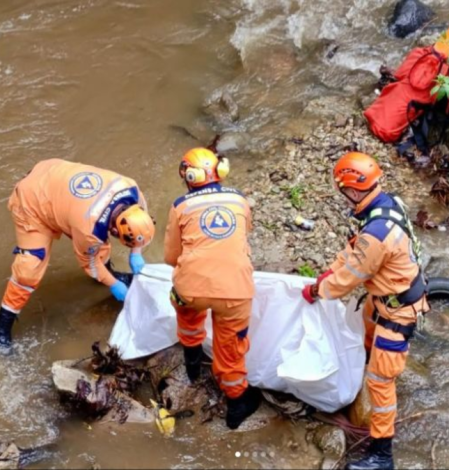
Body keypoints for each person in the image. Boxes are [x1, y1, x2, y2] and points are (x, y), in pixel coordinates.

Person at [301, 151, 428, 470]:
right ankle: (368, 365)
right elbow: (353, 251)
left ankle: (382, 455)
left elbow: (349, 278)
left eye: (343, 189)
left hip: (397, 313)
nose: (342, 194)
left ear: (353, 190)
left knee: (381, 384)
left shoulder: (376, 234)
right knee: (366, 331)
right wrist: (327, 273)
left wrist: (318, 290)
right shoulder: (385, 205)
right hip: (386, 298)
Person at [0, 159, 154, 355]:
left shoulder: (133, 191)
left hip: (54, 175)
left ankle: (107, 274)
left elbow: (140, 229)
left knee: (99, 245)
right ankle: (3, 323)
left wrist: (136, 253)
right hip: (32, 202)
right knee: (29, 268)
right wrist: (113, 283)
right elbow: (89, 263)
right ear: (116, 229)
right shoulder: (89, 228)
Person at [164, 147, 260, 430]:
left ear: (188, 176)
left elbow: (171, 256)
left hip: (190, 290)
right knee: (230, 348)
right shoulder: (239, 199)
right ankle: (237, 406)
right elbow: (243, 237)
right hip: (234, 291)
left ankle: (192, 365)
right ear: (220, 171)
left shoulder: (180, 205)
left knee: (187, 312)